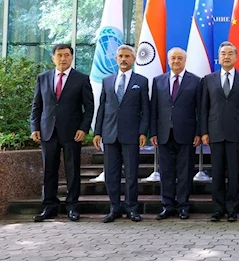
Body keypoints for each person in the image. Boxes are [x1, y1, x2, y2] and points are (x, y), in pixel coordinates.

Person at [30, 44, 94, 222]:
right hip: (47, 131)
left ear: (72, 57)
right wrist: (34, 127)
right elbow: (37, 105)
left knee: (72, 170)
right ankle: (49, 206)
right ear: (53, 58)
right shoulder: (43, 78)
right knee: (49, 170)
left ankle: (72, 206)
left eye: (66, 55)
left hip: (72, 132)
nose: (63, 58)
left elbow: (89, 107)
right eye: (59, 55)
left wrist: (83, 128)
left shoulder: (81, 79)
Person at [93, 44, 150, 223]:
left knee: (132, 174)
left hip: (131, 134)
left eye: (127, 56)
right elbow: (102, 107)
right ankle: (114, 208)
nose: (124, 59)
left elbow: (145, 110)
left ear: (133, 59)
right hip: (109, 134)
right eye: (121, 56)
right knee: (111, 174)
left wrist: (143, 132)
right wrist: (97, 132)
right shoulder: (107, 80)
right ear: (116, 59)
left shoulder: (141, 81)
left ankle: (132, 208)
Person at [201, 41, 239, 222]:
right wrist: (204, 132)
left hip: (236, 133)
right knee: (216, 172)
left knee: (233, 172)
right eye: (223, 53)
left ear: (236, 57)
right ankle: (217, 209)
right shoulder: (208, 79)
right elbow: (204, 108)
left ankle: (232, 209)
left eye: (230, 53)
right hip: (214, 132)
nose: (227, 56)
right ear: (219, 57)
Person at [150, 47, 202, 220]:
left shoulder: (195, 81)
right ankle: (167, 206)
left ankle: (183, 206)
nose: (176, 61)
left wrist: (199, 132)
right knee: (166, 172)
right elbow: (154, 109)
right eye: (173, 58)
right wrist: (153, 132)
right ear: (168, 60)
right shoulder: (158, 81)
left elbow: (200, 110)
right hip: (164, 133)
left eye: (180, 58)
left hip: (187, 134)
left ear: (185, 60)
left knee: (185, 172)